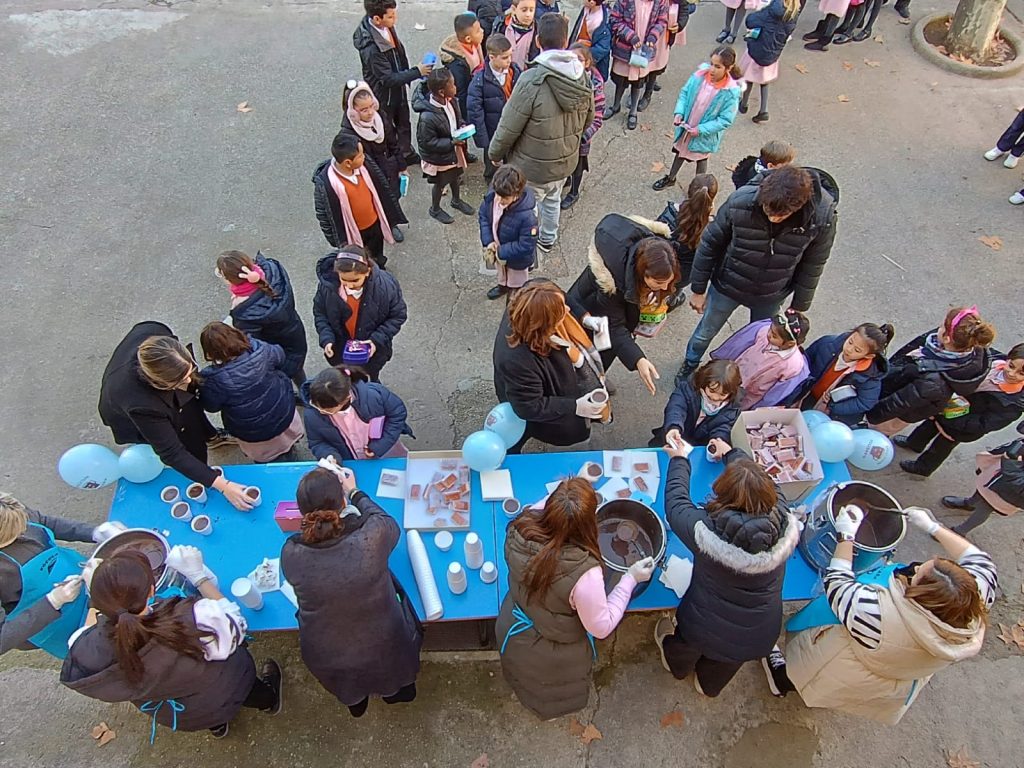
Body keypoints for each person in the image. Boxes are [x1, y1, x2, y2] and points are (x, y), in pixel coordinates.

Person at [762, 506, 996, 724]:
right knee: (838, 691)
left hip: (858, 662)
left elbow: (837, 585)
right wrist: (933, 527)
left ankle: (781, 681)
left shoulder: (877, 615)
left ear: (921, 598)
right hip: (906, 668)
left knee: (812, 677)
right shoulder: (976, 594)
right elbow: (978, 559)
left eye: (917, 576)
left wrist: (846, 536)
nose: (914, 568)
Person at [61, 548, 282, 740]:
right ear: (151, 590)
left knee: (207, 714)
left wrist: (98, 591)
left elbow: (89, 629)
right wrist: (198, 577)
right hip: (226, 686)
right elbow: (237, 626)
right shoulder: (193, 619)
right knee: (251, 692)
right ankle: (269, 700)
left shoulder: (82, 649)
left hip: (184, 713)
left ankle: (217, 726)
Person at [496, 478, 655, 719]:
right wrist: (630, 578)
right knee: (550, 690)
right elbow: (601, 627)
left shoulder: (521, 525)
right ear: (589, 524)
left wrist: (570, 493)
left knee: (524, 678)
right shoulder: (585, 575)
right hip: (552, 652)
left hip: (515, 623)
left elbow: (544, 507)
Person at [655, 437, 799, 697]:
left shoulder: (707, 533)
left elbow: (676, 504)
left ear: (723, 496)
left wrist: (678, 459)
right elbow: (762, 481)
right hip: (760, 633)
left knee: (684, 648)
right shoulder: (783, 514)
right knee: (726, 665)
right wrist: (733, 454)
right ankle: (707, 686)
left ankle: (677, 668)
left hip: (702, 625)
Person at [282, 466, 422, 717]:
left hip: (326, 652)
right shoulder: (370, 537)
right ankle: (395, 695)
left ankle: (357, 704)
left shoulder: (291, 553)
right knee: (394, 678)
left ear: (302, 511)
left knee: (350, 689)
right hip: (385, 642)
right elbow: (388, 523)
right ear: (342, 501)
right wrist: (355, 491)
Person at [679, 165, 838, 380]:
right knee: (704, 333)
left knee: (763, 341)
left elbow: (814, 263)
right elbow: (710, 243)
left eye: (781, 215)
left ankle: (743, 376)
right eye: (768, 211)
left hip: (772, 292)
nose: (773, 218)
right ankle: (690, 363)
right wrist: (698, 289)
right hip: (728, 283)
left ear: (799, 206)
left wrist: (799, 306)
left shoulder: (822, 218)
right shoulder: (741, 201)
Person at [98, 322, 254, 511]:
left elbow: (188, 394)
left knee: (192, 410)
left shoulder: (156, 333)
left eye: (190, 371)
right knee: (187, 443)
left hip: (158, 386)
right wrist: (224, 486)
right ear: (160, 383)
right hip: (127, 410)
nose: (189, 381)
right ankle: (200, 470)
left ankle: (211, 437)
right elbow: (172, 453)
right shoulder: (143, 405)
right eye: (181, 380)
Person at [488, 13, 595, 253]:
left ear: (538, 41)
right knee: (553, 199)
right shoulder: (582, 76)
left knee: (528, 207)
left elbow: (509, 125)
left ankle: (526, 247)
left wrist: (495, 153)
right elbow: (589, 118)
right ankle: (548, 239)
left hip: (532, 166)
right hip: (565, 160)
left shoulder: (531, 79)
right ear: (566, 41)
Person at [493, 279, 611, 452]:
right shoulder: (517, 361)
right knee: (526, 431)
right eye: (561, 312)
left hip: (549, 380)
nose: (568, 311)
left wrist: (584, 317)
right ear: (544, 325)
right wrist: (574, 407)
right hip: (535, 399)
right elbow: (529, 406)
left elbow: (563, 297)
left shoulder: (535, 292)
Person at [0, 494, 123, 657]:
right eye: (17, 532)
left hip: (73, 573)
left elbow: (42, 522)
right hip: (52, 622)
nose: (25, 530)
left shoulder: (8, 510)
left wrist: (93, 533)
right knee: (98, 651)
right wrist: (53, 602)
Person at [566, 218, 679, 395]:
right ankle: (587, 385)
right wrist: (638, 359)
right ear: (643, 273)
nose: (665, 288)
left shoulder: (655, 253)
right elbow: (614, 327)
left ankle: (598, 377)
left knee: (606, 351)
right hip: (592, 314)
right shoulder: (610, 283)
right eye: (658, 282)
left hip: (612, 318)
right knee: (589, 352)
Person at [896, 343, 1024, 477]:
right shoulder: (992, 361)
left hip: (961, 427)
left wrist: (952, 418)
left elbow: (984, 424)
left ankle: (922, 468)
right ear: (1008, 358)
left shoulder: (1013, 404)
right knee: (928, 426)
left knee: (940, 447)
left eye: (1021, 373)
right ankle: (914, 443)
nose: (1012, 373)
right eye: (1011, 366)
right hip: (947, 406)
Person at [867, 306, 995, 437]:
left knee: (877, 431)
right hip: (902, 394)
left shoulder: (934, 381)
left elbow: (899, 403)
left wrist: (871, 414)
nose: (939, 327)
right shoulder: (955, 346)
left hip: (896, 413)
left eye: (943, 326)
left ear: (947, 339)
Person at [197, 323, 304, 463]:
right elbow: (280, 355)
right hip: (281, 411)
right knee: (285, 439)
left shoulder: (213, 378)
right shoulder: (259, 349)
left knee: (267, 459)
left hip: (252, 430)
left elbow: (211, 406)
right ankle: (290, 450)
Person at [353, 0, 434, 165]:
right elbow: (387, 79)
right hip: (384, 93)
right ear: (377, 19)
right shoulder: (370, 47)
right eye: (390, 16)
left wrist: (407, 74)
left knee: (404, 121)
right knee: (388, 126)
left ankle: (406, 151)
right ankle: (394, 158)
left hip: (398, 86)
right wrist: (417, 72)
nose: (394, 19)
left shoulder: (385, 27)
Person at [651, 46, 743, 190]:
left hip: (704, 134)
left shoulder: (730, 93)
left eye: (717, 66)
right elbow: (685, 93)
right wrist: (679, 113)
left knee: (701, 159)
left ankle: (699, 189)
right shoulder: (699, 77)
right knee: (680, 153)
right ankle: (671, 178)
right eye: (712, 64)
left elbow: (725, 120)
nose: (712, 69)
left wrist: (700, 130)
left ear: (728, 68)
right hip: (687, 126)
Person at [215, 250, 307, 390]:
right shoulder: (272, 270)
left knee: (284, 379)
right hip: (295, 334)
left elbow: (253, 342)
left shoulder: (245, 312)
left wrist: (235, 314)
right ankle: (305, 389)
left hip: (277, 350)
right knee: (298, 370)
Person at [312, 245, 408, 380]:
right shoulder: (327, 288)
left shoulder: (386, 288)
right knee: (347, 378)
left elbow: (398, 315)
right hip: (340, 350)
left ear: (367, 271)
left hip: (372, 353)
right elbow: (320, 313)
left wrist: (375, 340)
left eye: (355, 280)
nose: (349, 286)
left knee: (370, 376)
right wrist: (327, 338)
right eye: (344, 280)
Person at [312, 133, 402, 268]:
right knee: (360, 259)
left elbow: (381, 186)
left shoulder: (365, 166)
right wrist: (336, 241)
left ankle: (379, 265)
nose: (364, 157)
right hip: (354, 232)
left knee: (377, 251)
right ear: (348, 163)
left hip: (374, 223)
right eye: (360, 155)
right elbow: (323, 216)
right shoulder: (326, 185)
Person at [338, 80, 409, 243]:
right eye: (363, 110)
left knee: (392, 196)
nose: (370, 112)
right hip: (368, 175)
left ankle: (391, 223)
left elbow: (393, 142)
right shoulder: (348, 134)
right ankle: (382, 226)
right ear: (353, 112)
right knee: (376, 202)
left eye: (371, 106)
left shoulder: (380, 117)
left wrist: (401, 165)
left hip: (388, 167)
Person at [789, 323, 893, 426]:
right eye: (850, 342)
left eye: (857, 350)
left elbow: (864, 402)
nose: (849, 349)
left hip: (829, 412)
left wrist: (833, 405)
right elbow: (805, 359)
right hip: (806, 393)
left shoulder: (870, 376)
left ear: (869, 356)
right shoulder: (827, 344)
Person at [302, 367, 412, 460]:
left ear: (346, 399)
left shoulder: (374, 396)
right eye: (315, 405)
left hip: (386, 451)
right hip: (350, 460)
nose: (320, 411)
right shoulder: (312, 414)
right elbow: (317, 442)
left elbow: (397, 415)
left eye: (327, 409)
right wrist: (330, 456)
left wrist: (380, 446)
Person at [710, 310, 810, 410]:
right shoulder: (763, 331)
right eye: (770, 329)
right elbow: (738, 344)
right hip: (733, 374)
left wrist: (758, 409)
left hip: (749, 394)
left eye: (774, 336)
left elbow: (777, 393)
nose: (769, 334)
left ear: (790, 344)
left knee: (729, 409)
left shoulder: (792, 366)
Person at [413, 68, 476, 225]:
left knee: (455, 176)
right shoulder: (427, 117)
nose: (455, 88)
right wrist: (451, 142)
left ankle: (456, 200)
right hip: (440, 157)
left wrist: (462, 126)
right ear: (442, 92)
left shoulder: (452, 100)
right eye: (452, 85)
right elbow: (427, 142)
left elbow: (457, 118)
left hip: (453, 152)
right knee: (440, 183)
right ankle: (435, 208)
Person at [605, 0, 669, 130]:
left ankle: (633, 112)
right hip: (625, 49)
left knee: (638, 81)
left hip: (644, 51)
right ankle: (615, 106)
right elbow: (615, 19)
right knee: (621, 80)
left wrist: (653, 36)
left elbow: (662, 21)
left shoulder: (661, 2)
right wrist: (630, 35)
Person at [943, 432, 1024, 535]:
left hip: (1010, 491)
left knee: (986, 507)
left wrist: (1011, 464)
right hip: (1005, 472)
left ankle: (960, 531)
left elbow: (1020, 486)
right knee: (982, 490)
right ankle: (970, 503)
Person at [467, 33, 522, 183]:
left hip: (513, 129)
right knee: (492, 165)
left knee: (513, 162)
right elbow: (475, 113)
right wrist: (483, 141)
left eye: (510, 56)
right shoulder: (479, 81)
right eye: (505, 57)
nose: (509, 60)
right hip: (493, 133)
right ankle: (491, 184)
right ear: (491, 57)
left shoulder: (516, 71)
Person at [650, 359, 742, 448]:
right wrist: (674, 426)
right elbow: (676, 407)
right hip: (674, 436)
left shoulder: (733, 408)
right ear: (704, 381)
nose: (715, 397)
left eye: (722, 394)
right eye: (712, 391)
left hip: (701, 446)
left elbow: (723, 427)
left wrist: (717, 440)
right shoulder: (688, 388)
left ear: (731, 393)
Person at [479, 165, 538, 300]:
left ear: (516, 194)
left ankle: (514, 296)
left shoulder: (528, 217)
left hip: (517, 260)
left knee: (516, 286)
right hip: (498, 253)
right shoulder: (493, 196)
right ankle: (503, 286)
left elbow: (526, 245)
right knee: (501, 273)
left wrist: (500, 252)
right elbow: (483, 217)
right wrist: (489, 241)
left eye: (504, 198)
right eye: (497, 195)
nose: (499, 201)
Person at [737, 0, 800, 122]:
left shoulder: (771, 11)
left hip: (758, 49)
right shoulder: (793, 13)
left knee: (749, 77)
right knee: (764, 81)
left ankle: (744, 104)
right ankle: (763, 110)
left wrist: (762, 11)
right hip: (773, 53)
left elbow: (750, 21)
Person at [561, 42, 605, 210]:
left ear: (587, 62)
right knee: (566, 162)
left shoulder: (595, 83)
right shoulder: (565, 76)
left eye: (579, 59)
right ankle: (567, 179)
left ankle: (574, 191)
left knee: (578, 163)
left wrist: (583, 136)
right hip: (565, 133)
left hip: (581, 136)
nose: (574, 62)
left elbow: (598, 116)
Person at [663, 172, 719, 307]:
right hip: (684, 273)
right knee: (674, 290)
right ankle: (670, 302)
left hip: (663, 262)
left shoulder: (670, 213)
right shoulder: (713, 228)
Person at [440, 11, 487, 127]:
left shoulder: (476, 44)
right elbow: (461, 95)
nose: (482, 31)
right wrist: (464, 118)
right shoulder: (457, 65)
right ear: (468, 39)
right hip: (468, 95)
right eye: (478, 31)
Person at [570, 0, 613, 80]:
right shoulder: (585, 9)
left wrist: (584, 54)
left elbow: (603, 48)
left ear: (592, 3)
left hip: (591, 63)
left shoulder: (603, 23)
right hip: (578, 55)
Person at [493, 0, 541, 69]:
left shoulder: (537, 31)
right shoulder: (501, 26)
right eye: (524, 10)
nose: (528, 14)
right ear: (514, 9)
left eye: (531, 10)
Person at [730, 139, 795, 189]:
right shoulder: (763, 183)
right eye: (786, 164)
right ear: (770, 166)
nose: (790, 165)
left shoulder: (756, 164)